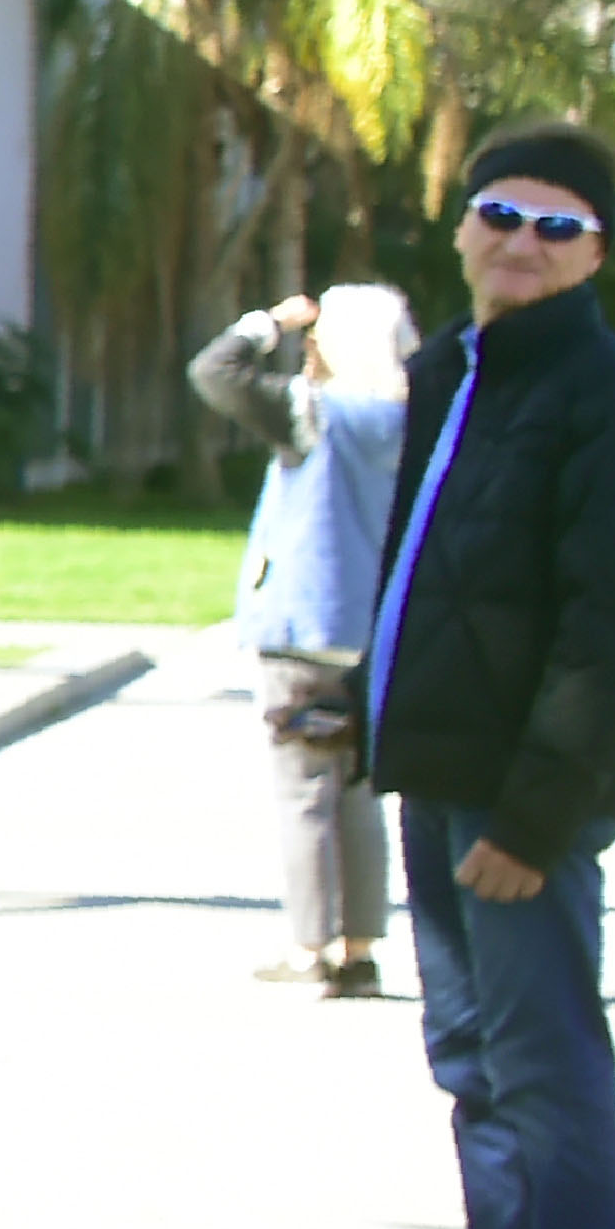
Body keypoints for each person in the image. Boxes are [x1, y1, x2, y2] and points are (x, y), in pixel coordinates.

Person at [337, 129, 615, 1229]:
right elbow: (438, 577)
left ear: (598, 250)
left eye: (560, 226)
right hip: (440, 774)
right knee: (476, 1061)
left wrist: (541, 817)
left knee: (551, 1075)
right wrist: (369, 706)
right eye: (503, 212)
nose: (523, 241)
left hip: (521, 802)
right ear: (463, 224)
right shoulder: (458, 372)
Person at [192, 285, 421, 995]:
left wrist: (270, 324)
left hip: (304, 627)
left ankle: (307, 948)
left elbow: (214, 373)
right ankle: (360, 949)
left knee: (304, 793)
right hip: (378, 633)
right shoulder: (416, 423)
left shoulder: (317, 415)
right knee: (359, 792)